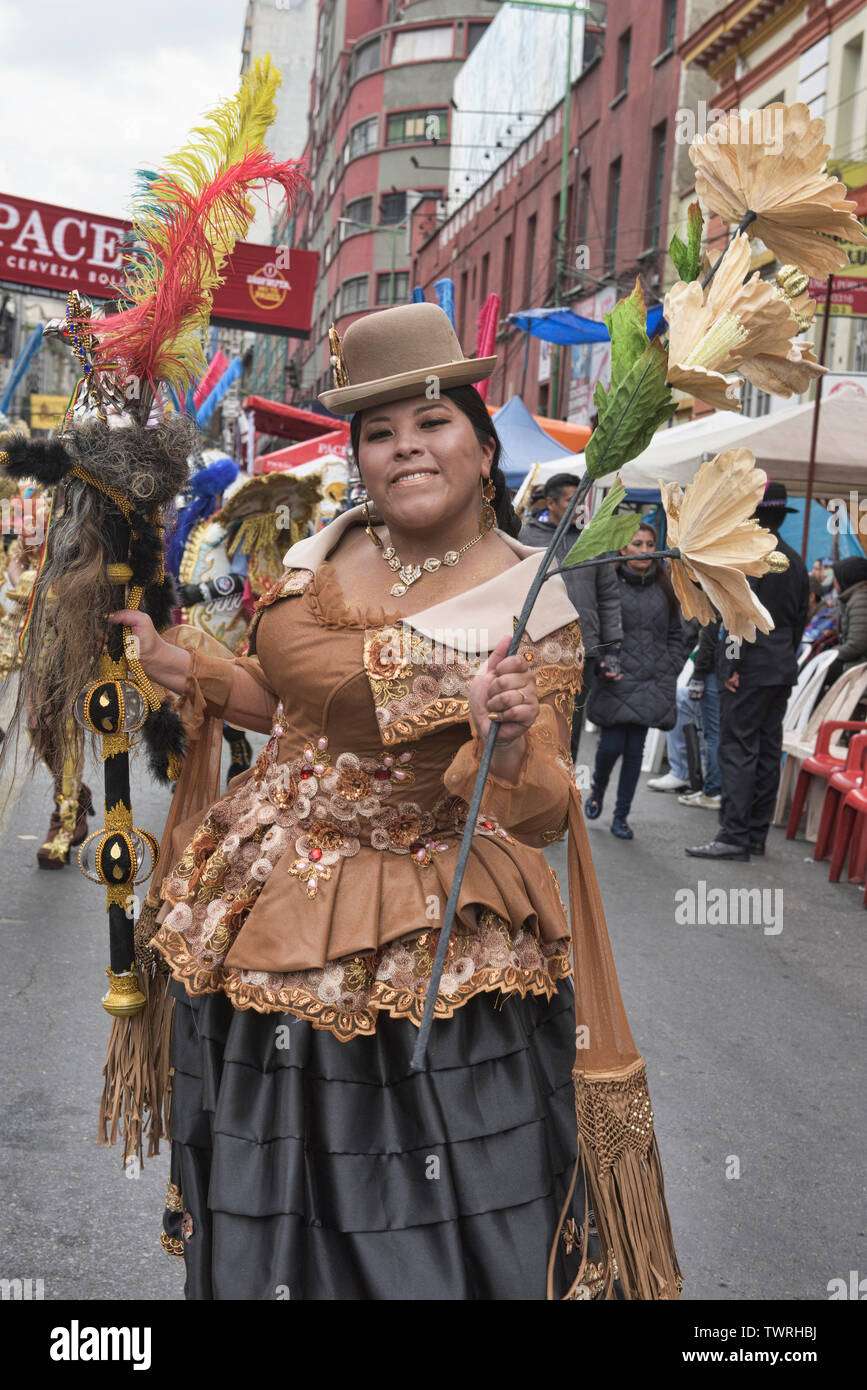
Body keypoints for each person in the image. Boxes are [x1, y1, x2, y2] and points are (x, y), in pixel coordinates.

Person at [111, 303, 680, 1301]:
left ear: (481, 437)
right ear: (361, 456)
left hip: (431, 934)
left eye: (432, 421)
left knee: (431, 1203)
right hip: (270, 907)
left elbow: (545, 806)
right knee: (270, 1177)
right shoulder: (317, 558)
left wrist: (502, 736)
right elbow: (283, 698)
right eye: (380, 432)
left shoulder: (529, 596)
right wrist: (180, 665)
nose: (406, 447)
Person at [686, 481, 809, 861]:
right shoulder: (796, 561)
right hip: (780, 666)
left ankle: (734, 836)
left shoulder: (752, 559)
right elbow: (799, 621)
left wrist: (733, 665)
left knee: (738, 749)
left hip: (751, 665)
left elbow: (737, 615)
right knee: (767, 750)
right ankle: (753, 834)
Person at [584, 522, 683, 839]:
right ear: (622, 548)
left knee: (635, 750)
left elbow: (676, 633)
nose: (644, 550)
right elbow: (596, 628)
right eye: (637, 544)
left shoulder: (666, 585)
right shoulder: (608, 582)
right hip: (615, 674)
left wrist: (672, 664)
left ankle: (621, 817)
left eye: (649, 544)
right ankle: (598, 788)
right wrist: (601, 662)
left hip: (653, 677)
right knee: (612, 745)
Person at [520, 473, 622, 761]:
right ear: (550, 502)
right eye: (571, 500)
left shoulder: (593, 539)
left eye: (582, 500)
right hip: (538, 647)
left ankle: (565, 795)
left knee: (570, 728)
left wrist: (611, 647)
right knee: (535, 724)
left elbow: (609, 595)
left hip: (583, 650)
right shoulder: (526, 538)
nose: (580, 507)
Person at [647, 619, 722, 809]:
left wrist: (699, 675)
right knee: (684, 701)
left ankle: (711, 788)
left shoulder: (722, 601)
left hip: (720, 671)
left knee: (713, 733)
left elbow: (711, 636)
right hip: (731, 669)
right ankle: (689, 772)